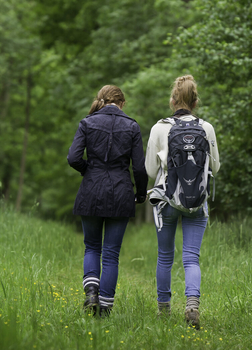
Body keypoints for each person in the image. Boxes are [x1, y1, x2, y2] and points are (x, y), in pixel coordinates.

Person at [145, 75, 220, 328]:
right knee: (191, 258)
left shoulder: (159, 128)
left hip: (166, 200)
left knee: (165, 256)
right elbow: (216, 167)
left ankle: (164, 310)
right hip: (197, 202)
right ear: (195, 101)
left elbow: (149, 170)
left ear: (173, 99)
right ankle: (191, 307)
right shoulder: (206, 128)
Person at [67, 85, 148, 317]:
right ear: (121, 103)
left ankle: (91, 293)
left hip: (91, 190)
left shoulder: (87, 122)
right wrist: (140, 194)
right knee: (111, 253)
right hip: (121, 194)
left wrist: (88, 170)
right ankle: (104, 311)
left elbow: (73, 157)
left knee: (92, 246)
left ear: (102, 101)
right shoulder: (132, 126)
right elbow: (140, 168)